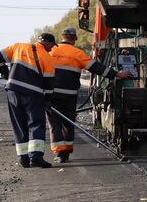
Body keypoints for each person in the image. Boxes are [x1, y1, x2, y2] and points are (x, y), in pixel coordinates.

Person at [47, 27, 131, 163]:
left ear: (61, 37)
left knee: (54, 123)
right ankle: (66, 151)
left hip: (51, 95)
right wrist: (116, 74)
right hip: (69, 95)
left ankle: (59, 153)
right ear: (74, 39)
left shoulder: (50, 51)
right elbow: (97, 68)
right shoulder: (77, 53)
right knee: (68, 122)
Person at [0, 34, 58, 168]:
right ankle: (36, 156)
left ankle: (23, 158)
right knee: (36, 124)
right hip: (33, 95)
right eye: (51, 45)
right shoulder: (48, 58)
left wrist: (5, 72)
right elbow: (49, 85)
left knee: (18, 124)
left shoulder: (18, 47)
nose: (51, 49)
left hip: (13, 92)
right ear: (46, 43)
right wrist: (47, 101)